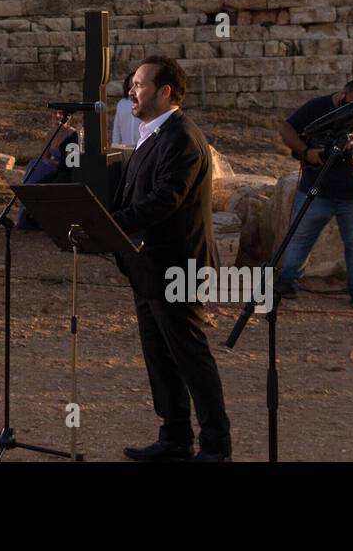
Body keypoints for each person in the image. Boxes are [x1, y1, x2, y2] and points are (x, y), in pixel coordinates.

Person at [110, 55, 231, 462]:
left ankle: (216, 446)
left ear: (165, 92)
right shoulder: (153, 133)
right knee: (160, 356)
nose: (132, 90)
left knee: (189, 355)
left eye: (140, 84)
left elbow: (164, 199)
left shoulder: (181, 137)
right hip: (149, 266)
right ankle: (175, 437)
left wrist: (110, 223)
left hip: (177, 267)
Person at [276, 79, 353, 310]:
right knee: (300, 236)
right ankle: (287, 282)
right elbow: (286, 128)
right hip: (316, 187)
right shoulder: (318, 107)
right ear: (342, 95)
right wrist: (306, 152)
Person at [112, 71, 141, 147]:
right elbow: (117, 127)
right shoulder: (122, 104)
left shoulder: (145, 103)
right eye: (132, 81)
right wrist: (115, 144)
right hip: (125, 147)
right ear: (128, 84)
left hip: (141, 146)